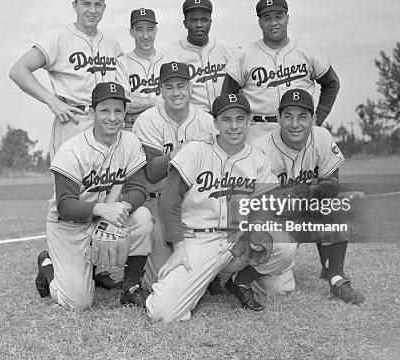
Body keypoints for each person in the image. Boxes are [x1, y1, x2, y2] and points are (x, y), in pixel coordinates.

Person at [146, 94, 297, 323]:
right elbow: (168, 200)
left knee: (285, 245)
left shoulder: (257, 158)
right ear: (215, 123)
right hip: (198, 240)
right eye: (226, 119)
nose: (234, 126)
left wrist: (258, 230)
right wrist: (178, 247)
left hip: (237, 238)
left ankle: (238, 280)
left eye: (240, 118)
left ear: (249, 121)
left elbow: (264, 203)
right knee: (163, 313)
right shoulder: (197, 150)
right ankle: (200, 280)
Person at [34, 82, 153, 309]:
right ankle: (47, 265)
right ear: (92, 112)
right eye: (105, 110)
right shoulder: (72, 150)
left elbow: (138, 189)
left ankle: (130, 288)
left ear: (125, 113)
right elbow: (65, 205)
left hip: (106, 217)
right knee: (78, 302)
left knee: (143, 217)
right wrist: (102, 210)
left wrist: (123, 207)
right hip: (68, 226)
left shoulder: (130, 142)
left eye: (118, 110)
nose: (112, 117)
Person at [252, 89, 365, 304]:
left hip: (305, 210)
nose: (295, 124)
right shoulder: (260, 148)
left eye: (302, 117)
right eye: (288, 116)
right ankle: (244, 276)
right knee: (277, 289)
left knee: (331, 208)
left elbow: (332, 182)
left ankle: (336, 277)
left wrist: (314, 192)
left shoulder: (321, 136)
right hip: (275, 219)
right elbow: (259, 203)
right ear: (278, 118)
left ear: (313, 119)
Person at [9, 0, 123, 157]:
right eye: (86, 4)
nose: (92, 10)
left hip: (108, 123)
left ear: (104, 7)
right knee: (70, 182)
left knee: (110, 181)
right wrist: (51, 100)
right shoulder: (58, 38)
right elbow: (18, 70)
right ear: (74, 6)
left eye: (98, 5)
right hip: (74, 122)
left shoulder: (112, 43)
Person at [131, 61, 218, 292]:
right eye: (169, 87)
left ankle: (214, 275)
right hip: (158, 201)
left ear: (190, 88)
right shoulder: (148, 120)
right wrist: (178, 152)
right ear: (160, 89)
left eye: (181, 85)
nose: (176, 92)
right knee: (159, 283)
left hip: (195, 202)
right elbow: (150, 173)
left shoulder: (207, 121)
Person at [222, 0, 340, 143]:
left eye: (279, 17)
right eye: (267, 18)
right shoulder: (244, 55)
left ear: (287, 18)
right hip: (258, 131)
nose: (273, 23)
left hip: (299, 128)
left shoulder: (308, 51)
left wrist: (317, 119)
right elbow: (227, 98)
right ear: (260, 23)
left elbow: (332, 83)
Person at [164, 0, 238, 114]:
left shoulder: (230, 50)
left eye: (204, 20)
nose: (199, 25)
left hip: (225, 117)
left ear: (210, 22)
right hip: (191, 120)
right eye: (194, 20)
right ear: (185, 23)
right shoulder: (170, 54)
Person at [115, 8, 169, 130]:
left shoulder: (170, 60)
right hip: (134, 129)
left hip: (167, 127)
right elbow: (123, 103)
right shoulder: (122, 63)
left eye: (149, 29)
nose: (145, 36)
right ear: (131, 32)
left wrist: (138, 106)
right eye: (139, 29)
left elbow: (177, 101)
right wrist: (157, 102)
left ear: (156, 30)